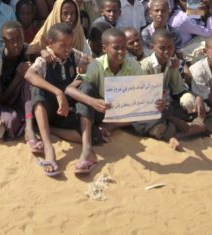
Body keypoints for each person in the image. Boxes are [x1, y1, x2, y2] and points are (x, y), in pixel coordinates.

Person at [65, 28, 168, 171]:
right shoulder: (97, 65)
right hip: (99, 110)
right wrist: (93, 102)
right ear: (104, 48)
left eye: (124, 47)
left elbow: (147, 93)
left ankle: (111, 127)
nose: (121, 52)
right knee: (86, 88)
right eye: (116, 48)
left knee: (155, 111)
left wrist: (157, 103)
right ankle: (86, 150)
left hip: (122, 112)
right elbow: (69, 89)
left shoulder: (131, 64)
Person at [25, 23, 93, 176]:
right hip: (49, 109)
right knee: (36, 89)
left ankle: (51, 130)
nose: (67, 49)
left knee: (91, 131)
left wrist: (83, 69)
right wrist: (58, 92)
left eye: (70, 45)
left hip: (66, 112)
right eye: (63, 45)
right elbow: (29, 75)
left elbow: (92, 62)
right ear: (50, 43)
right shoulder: (44, 60)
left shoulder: (72, 54)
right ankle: (49, 149)